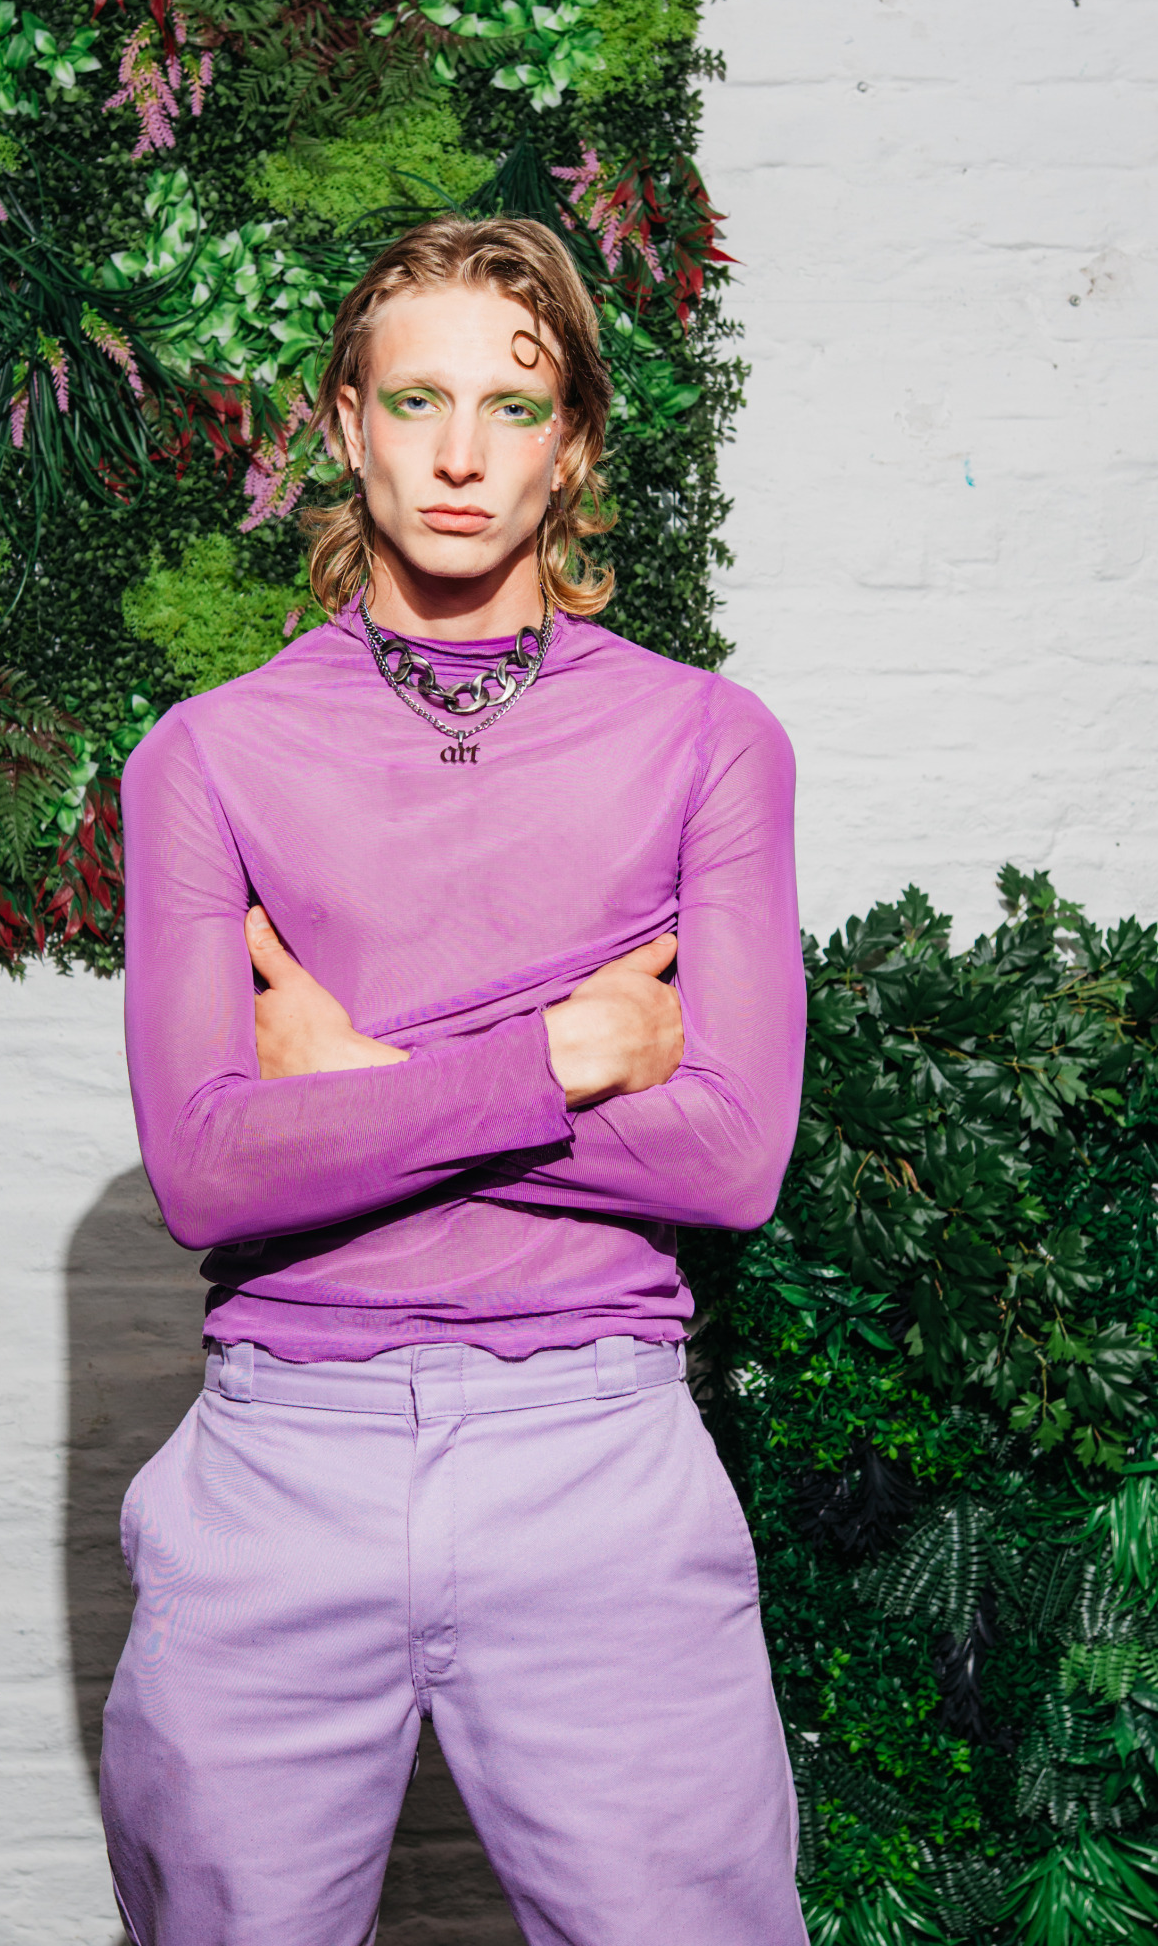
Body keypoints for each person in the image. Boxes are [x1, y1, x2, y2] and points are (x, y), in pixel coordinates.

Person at [103, 213, 808, 1946]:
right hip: (277, 1472)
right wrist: (558, 1057)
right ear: (345, 424)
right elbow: (205, 1172)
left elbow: (729, 1160)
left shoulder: (705, 742)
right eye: (414, 401)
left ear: (571, 443)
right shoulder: (207, 756)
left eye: (513, 405)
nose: (459, 455)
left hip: (598, 1461)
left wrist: (357, 1084)